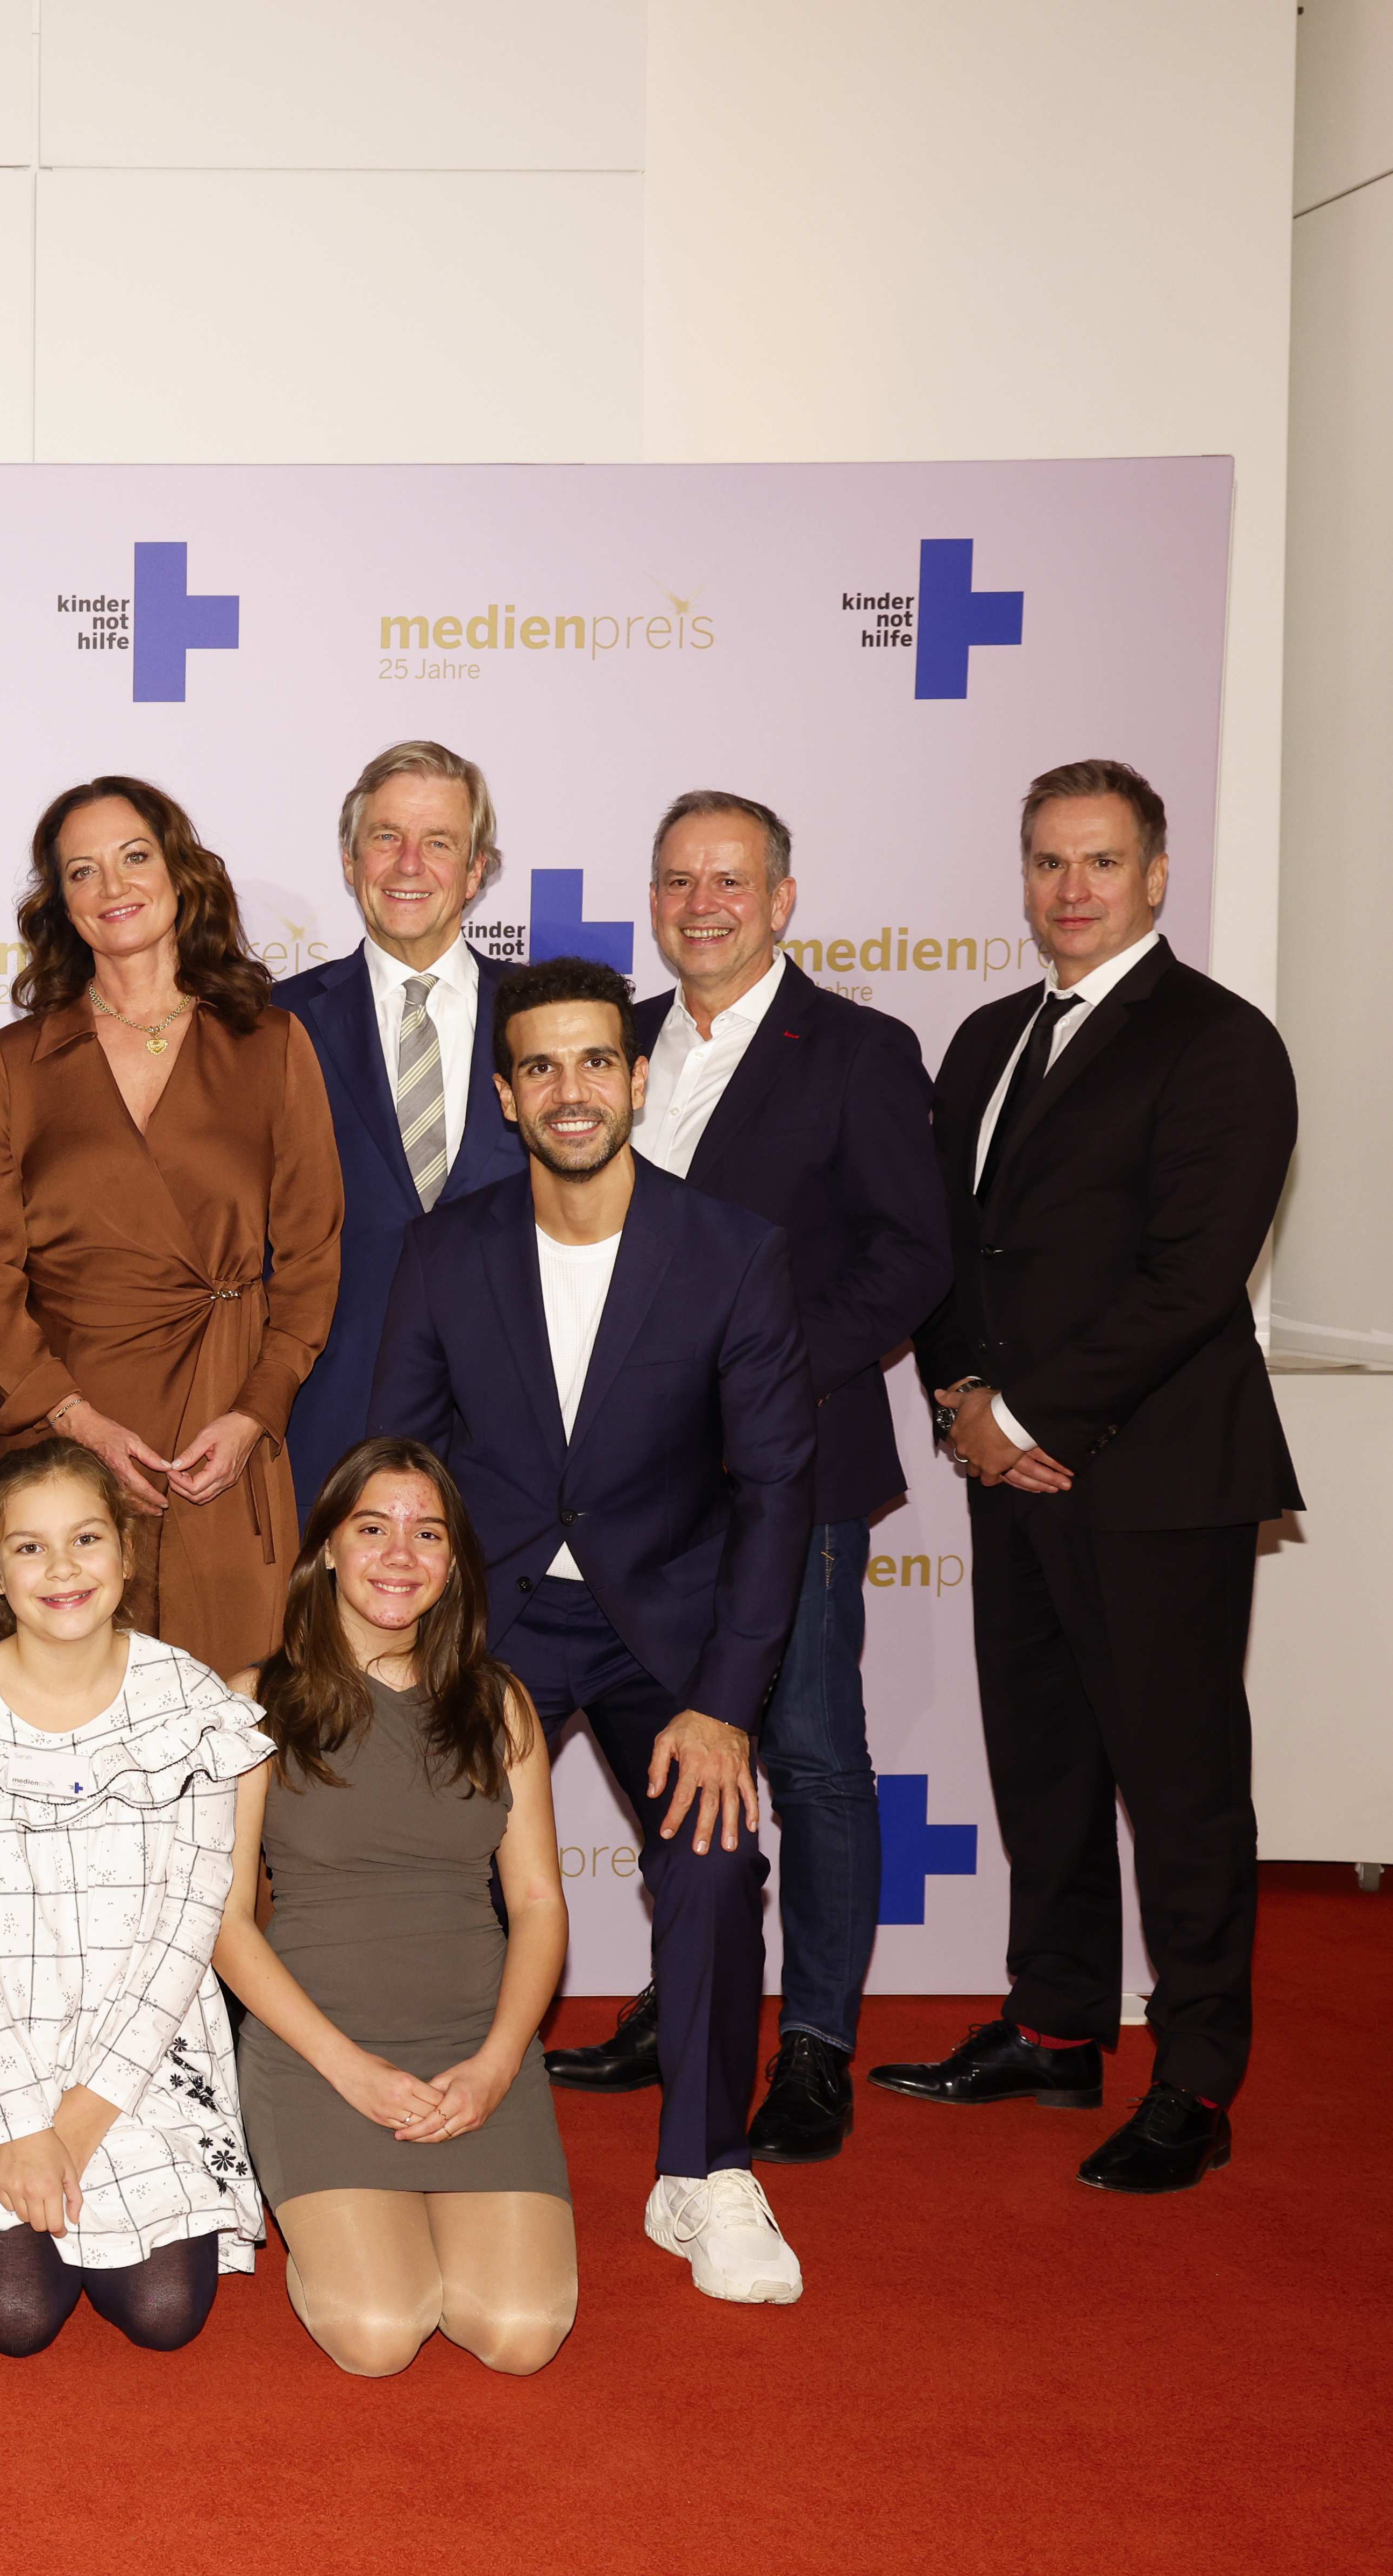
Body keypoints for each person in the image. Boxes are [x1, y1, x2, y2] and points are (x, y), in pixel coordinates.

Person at [875, 757, 1298, 2195]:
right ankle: (1056, 2024)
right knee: (1041, 1763)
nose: (1071, 889)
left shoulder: (1220, 1041)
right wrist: (962, 1398)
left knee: (1179, 1785)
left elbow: (1191, 1278)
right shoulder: (987, 1035)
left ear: (1156, 875)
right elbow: (939, 1244)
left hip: (1156, 1473)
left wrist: (1034, 1409)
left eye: (1100, 863)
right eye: (1049, 863)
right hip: (1009, 1470)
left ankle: (1193, 2075)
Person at [367, 956, 815, 2303]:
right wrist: (401, 1646)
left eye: (594, 1063)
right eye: (541, 1068)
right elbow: (399, 1455)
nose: (571, 1091)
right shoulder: (447, 1248)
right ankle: (408, 2129)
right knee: (410, 1857)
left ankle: (705, 2172)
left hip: (664, 1632)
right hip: (485, 1621)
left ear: (633, 1078)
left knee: (715, 1854)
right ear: (504, 1096)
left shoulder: (730, 1251)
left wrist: (725, 1700)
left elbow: (776, 1487)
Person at [550, 794, 947, 2161]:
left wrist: (754, 1379)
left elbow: (907, 1258)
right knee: (673, 1739)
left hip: (796, 1468)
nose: (699, 903)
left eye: (728, 880)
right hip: (635, 1491)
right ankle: (687, 2003)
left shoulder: (858, 1051)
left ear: (782, 898)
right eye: (675, 880)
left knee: (812, 1752)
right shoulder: (621, 1048)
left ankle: (821, 2048)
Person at [0, 1437, 272, 2360]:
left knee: (163, 2312)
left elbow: (187, 1929)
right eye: (29, 1546)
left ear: (125, 1553)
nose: (61, 1568)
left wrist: (79, 2121)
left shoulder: (186, 1698)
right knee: (16, 2314)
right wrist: (22, 2124)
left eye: (85, 1538)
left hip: (140, 2051)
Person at [0, 777, 340, 1674]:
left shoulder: (270, 1042)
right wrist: (75, 1417)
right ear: (60, 905)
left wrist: (254, 1410)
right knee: (66, 1705)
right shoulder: (18, 1060)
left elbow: (313, 1254)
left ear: (177, 872)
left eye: (132, 855)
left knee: (222, 1707)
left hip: (221, 1422)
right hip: (63, 1423)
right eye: (79, 870)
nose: (110, 884)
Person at [214, 1438, 575, 2378]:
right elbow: (221, 1922)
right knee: (379, 2332)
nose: (398, 1554)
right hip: (317, 2056)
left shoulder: (498, 1704)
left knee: (518, 2330)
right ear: (328, 1546)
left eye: (426, 1532)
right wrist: (350, 2069)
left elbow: (536, 1901)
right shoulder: (254, 1702)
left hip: (472, 2048)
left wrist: (496, 2065)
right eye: (371, 1527)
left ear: (452, 1562)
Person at [269, 742, 527, 1530]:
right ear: (349, 862)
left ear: (476, 870)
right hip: (325, 1427)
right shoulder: (271, 1026)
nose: (407, 863)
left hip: (516, 1441)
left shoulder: (547, 1017)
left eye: (438, 841)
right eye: (384, 837)